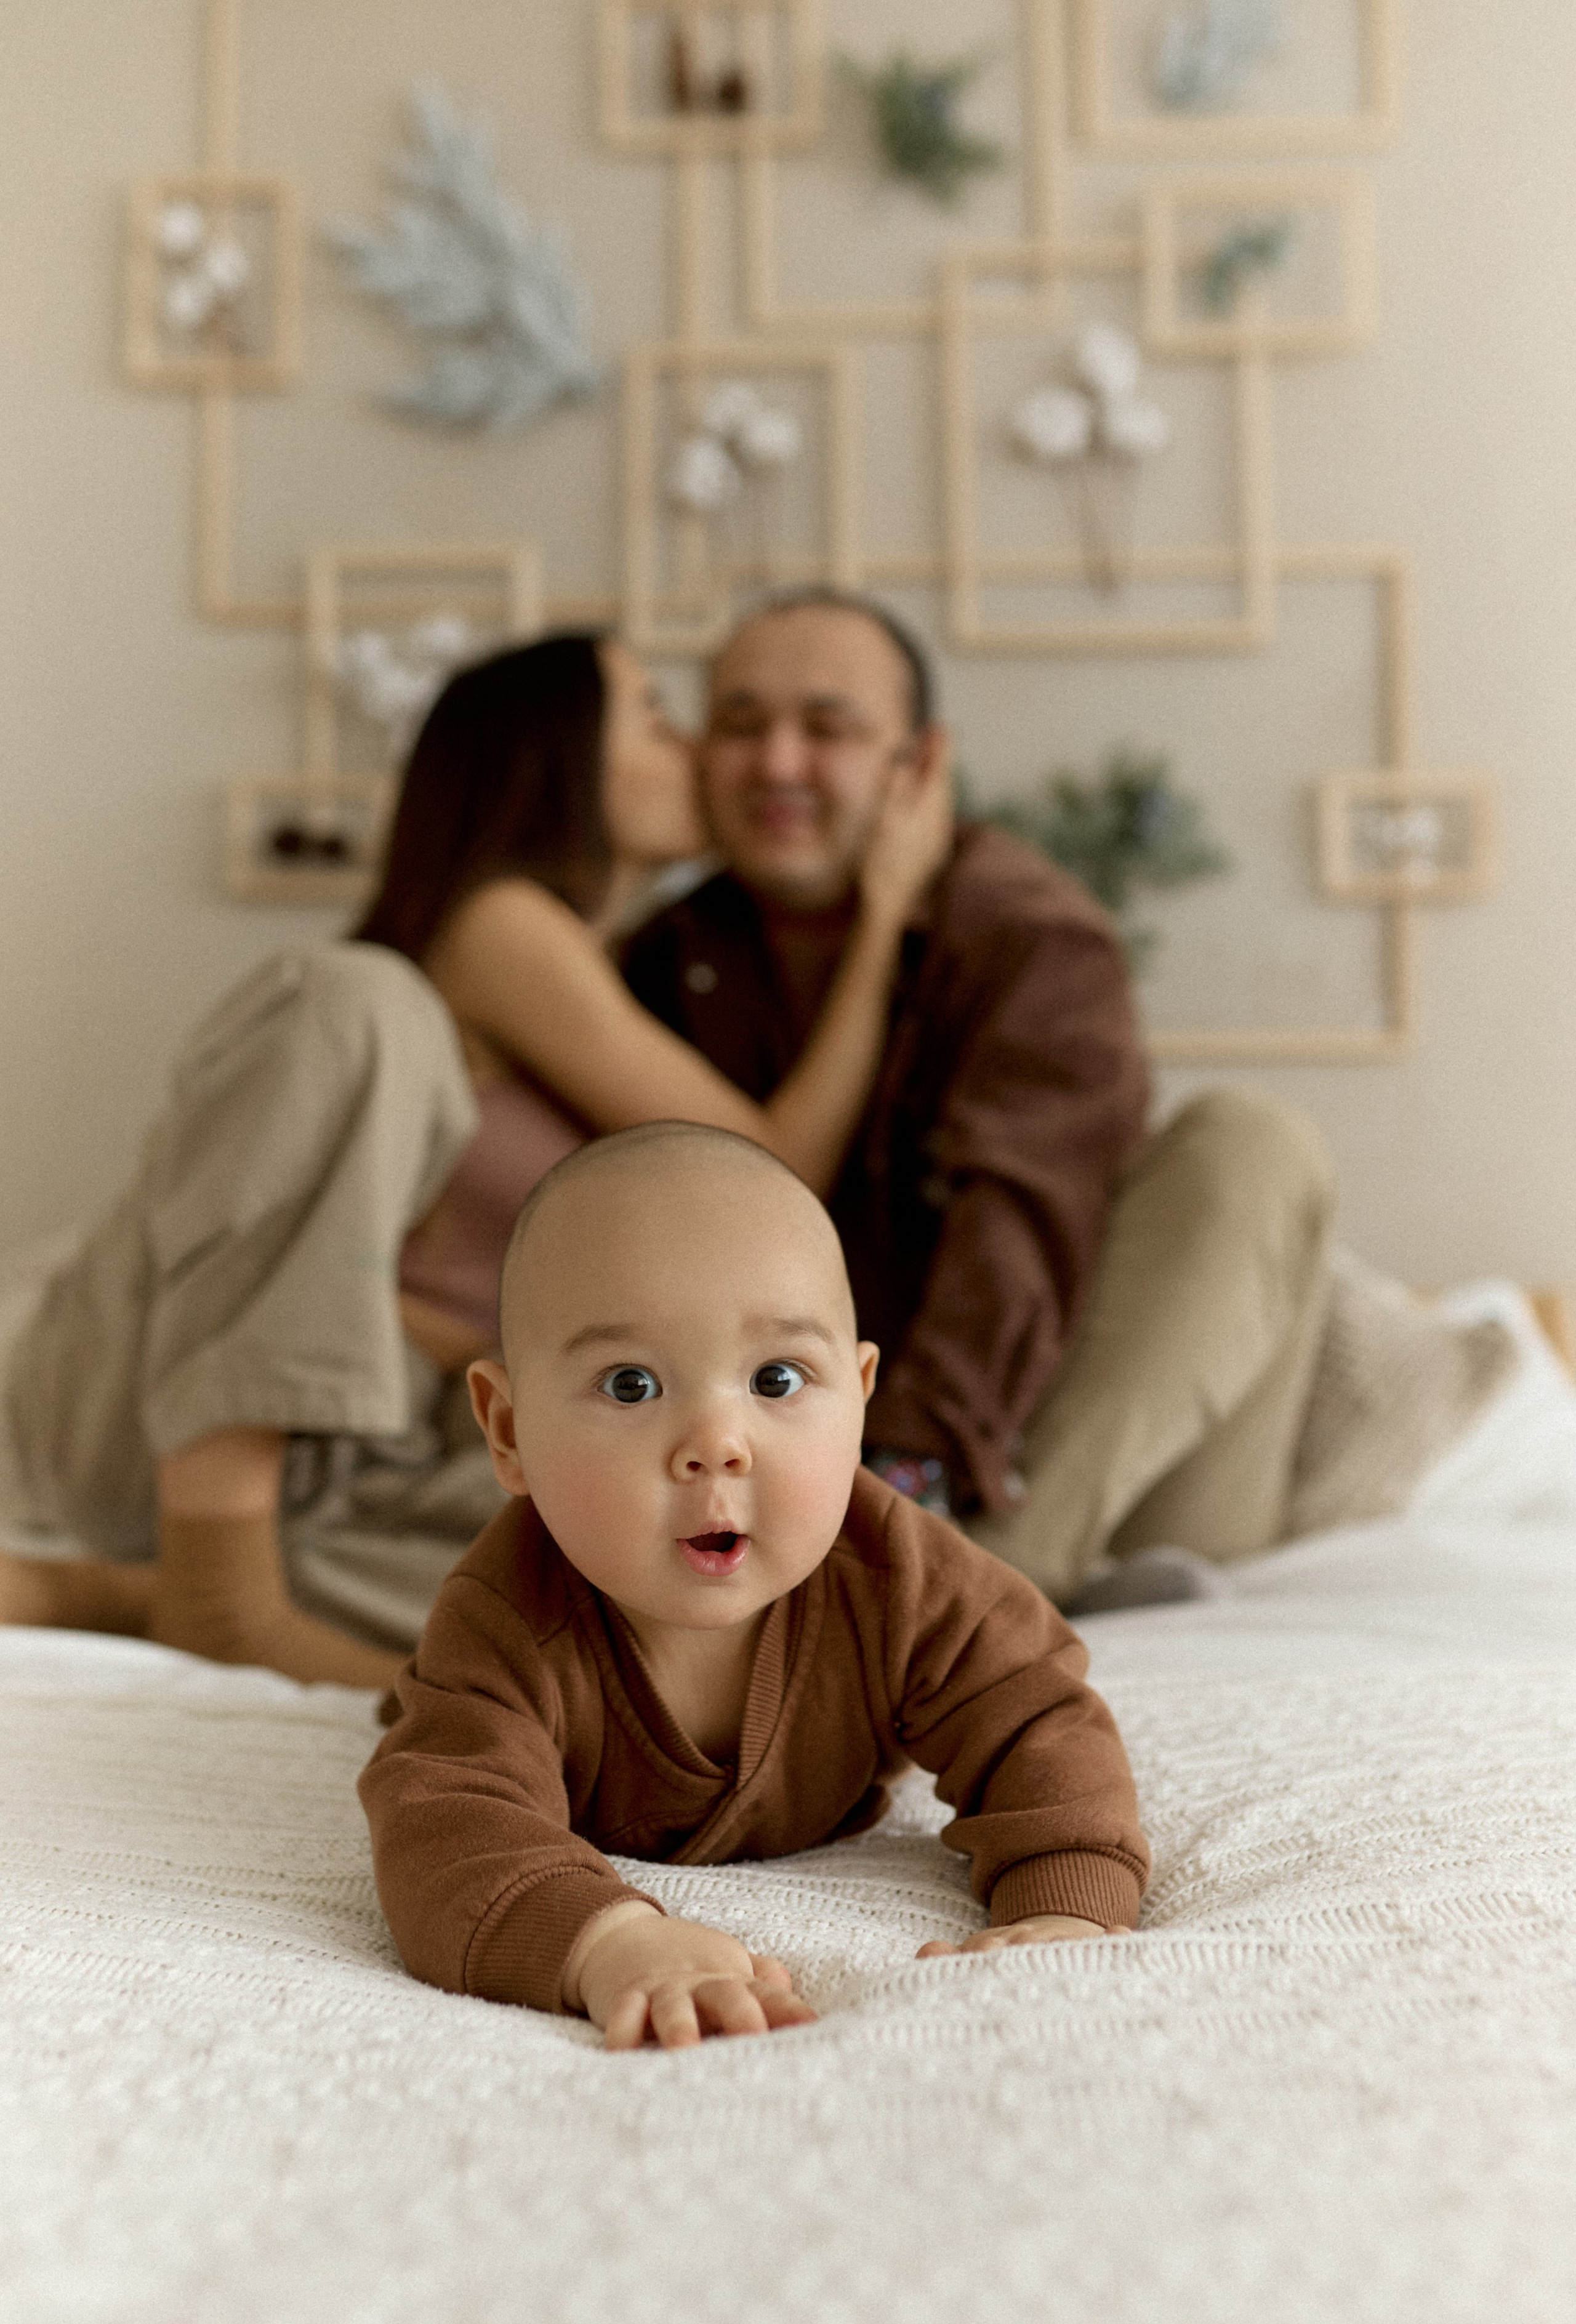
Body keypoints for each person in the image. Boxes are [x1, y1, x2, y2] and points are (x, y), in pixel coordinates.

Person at [1, 635, 952, 1686]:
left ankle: (111, 1594)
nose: (686, 746)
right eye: (651, 714)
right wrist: (885, 914)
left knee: (621, 1570)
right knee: (356, 1003)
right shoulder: (501, 922)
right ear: (557, 757)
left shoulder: (612, 974)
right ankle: (214, 1592)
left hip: (358, 1451)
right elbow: (760, 1170)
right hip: (166, 1401)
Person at [360, 1122, 1149, 2049]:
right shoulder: (507, 1618)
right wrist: (609, 1942)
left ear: (857, 1403)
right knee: (428, 1721)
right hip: (489, 1726)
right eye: (629, 1383)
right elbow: (442, 1822)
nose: (717, 1441)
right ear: (507, 1430)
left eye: (777, 1378)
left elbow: (1039, 1717)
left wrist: (1065, 1904)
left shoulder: (898, 1576)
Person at [622, 590, 1337, 1602]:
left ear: (917, 764)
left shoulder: (1029, 934)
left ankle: (971, 1596)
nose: (778, 763)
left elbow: (1020, 1225)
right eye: (741, 725)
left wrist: (905, 1490)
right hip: (811, 1488)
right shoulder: (664, 958)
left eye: (827, 728)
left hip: (1089, 1467)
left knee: (1253, 1144)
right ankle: (951, 1586)